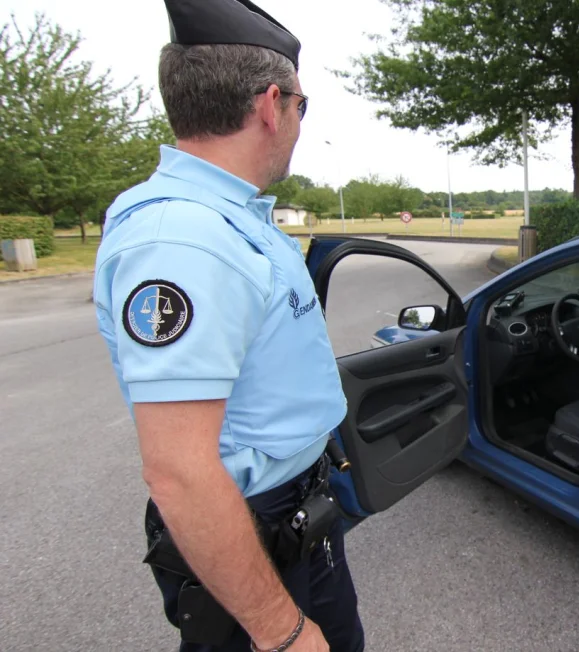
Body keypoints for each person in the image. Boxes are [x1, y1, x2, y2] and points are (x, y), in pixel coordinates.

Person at [92, 1, 363, 650]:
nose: (298, 122)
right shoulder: (184, 238)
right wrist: (282, 631)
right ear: (272, 104)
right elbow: (181, 471)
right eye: (303, 106)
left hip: (300, 516)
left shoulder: (231, 217)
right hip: (252, 529)